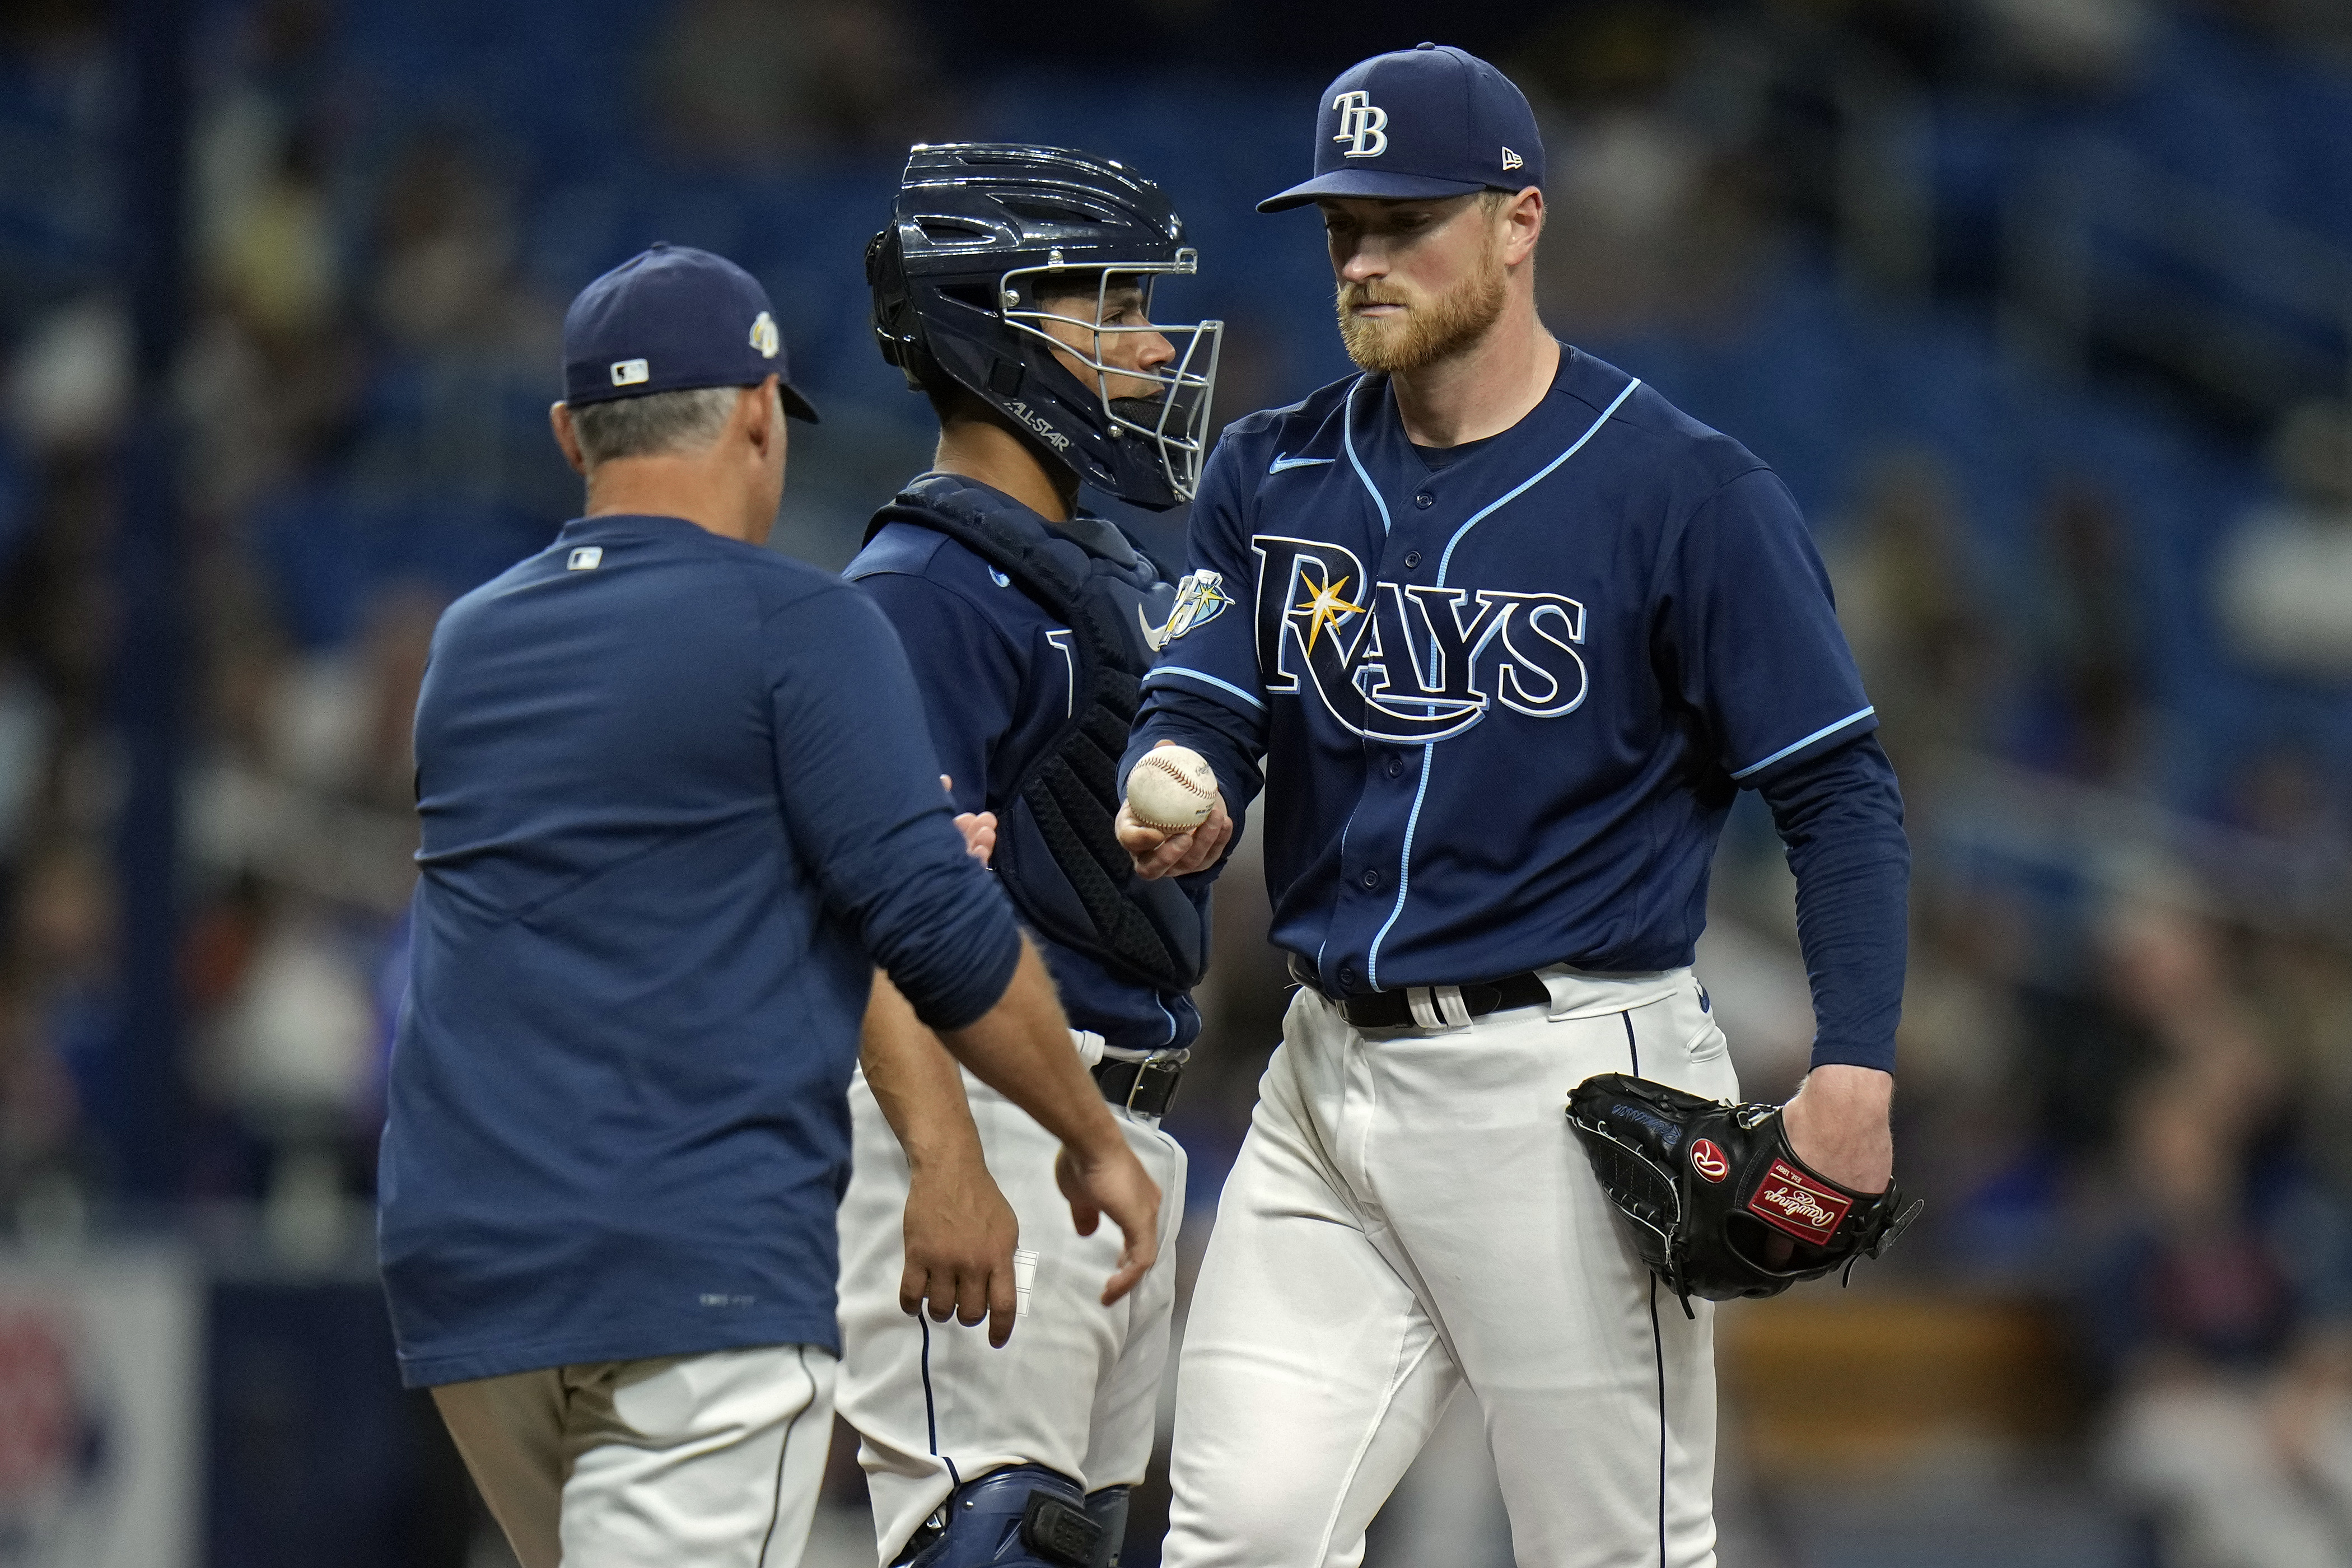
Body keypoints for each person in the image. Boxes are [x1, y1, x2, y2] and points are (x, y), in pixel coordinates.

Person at [1118, 45, 1910, 1567]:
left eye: (1406, 220)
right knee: (1243, 1535)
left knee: (1610, 1554)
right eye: (1342, 225)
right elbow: (1201, 700)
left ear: (1518, 221)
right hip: (1322, 1080)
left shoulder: (1684, 491)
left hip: (1564, 1081)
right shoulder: (1271, 471)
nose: (1363, 257)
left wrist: (1859, 1070)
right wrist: (1187, 780)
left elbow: (1837, 792)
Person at [374, 242, 1162, 1568]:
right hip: (692, 1255)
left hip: (469, 1266)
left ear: (573, 432)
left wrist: (834, 849)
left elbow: (640, 863)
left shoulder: (468, 643)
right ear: (756, 415)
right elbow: (942, 931)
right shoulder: (799, 625)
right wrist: (1087, 1134)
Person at [833, 143, 1224, 1568]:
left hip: (1108, 1131)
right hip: (986, 1131)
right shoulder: (921, 590)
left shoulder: (1090, 570)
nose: (1151, 341)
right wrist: (946, 1162)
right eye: (1106, 305)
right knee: (993, 1539)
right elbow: (871, 906)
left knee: (1067, 1537)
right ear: (997, 330)